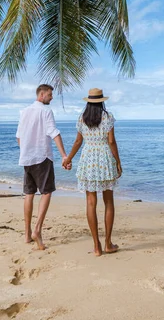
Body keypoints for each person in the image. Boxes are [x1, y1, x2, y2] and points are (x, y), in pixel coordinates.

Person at [62, 88, 122, 257]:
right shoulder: (108, 117)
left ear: (88, 101)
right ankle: (108, 243)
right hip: (104, 159)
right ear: (102, 101)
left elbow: (78, 141)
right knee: (108, 202)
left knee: (90, 202)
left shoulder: (82, 118)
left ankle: (96, 247)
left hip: (88, 159)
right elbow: (111, 141)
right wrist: (118, 161)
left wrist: (69, 158)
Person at [16, 84, 69, 250]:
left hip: (27, 158)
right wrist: (64, 156)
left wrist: (26, 149)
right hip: (42, 157)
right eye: (50, 95)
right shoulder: (46, 111)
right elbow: (54, 132)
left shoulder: (24, 112)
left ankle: (27, 234)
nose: (51, 97)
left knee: (29, 194)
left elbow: (19, 137)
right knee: (46, 192)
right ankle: (37, 230)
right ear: (41, 94)